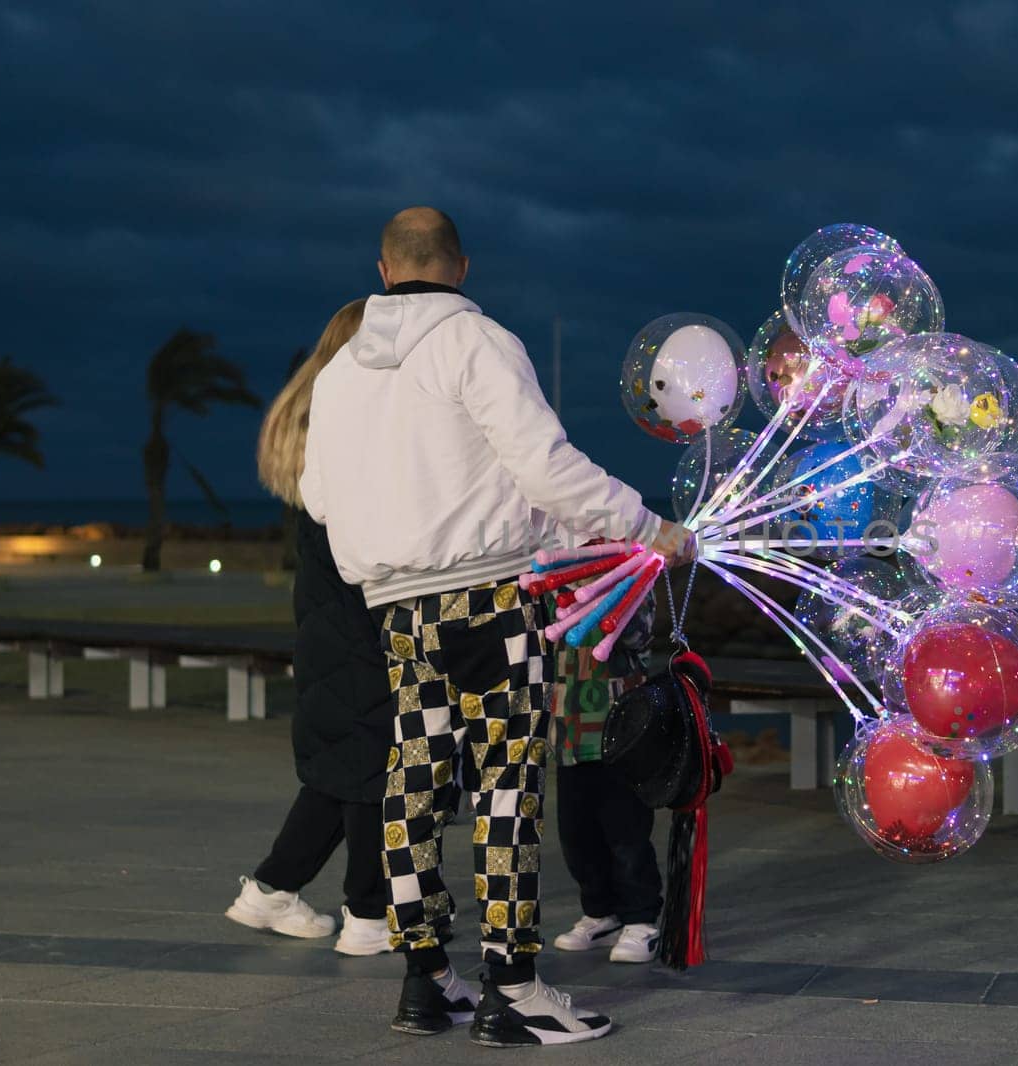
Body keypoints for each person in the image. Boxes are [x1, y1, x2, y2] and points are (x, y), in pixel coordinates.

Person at [301, 207, 694, 1048]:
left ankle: (424, 980)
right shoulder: (477, 343)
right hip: (487, 601)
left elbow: (321, 497)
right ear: (462, 267)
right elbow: (543, 465)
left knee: (413, 781)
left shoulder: (336, 375)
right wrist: (644, 525)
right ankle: (511, 983)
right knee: (504, 789)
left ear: (381, 270)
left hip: (397, 607)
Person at [224, 298, 395, 958]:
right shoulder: (351, 437)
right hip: (357, 628)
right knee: (370, 770)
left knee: (340, 769)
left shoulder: (315, 425)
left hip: (328, 629)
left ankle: (268, 892)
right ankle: (368, 916)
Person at [550, 584, 663, 964]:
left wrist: (605, 595)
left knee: (626, 830)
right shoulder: (552, 582)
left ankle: (641, 918)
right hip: (569, 728)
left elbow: (640, 634)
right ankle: (600, 912)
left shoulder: (632, 576)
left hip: (621, 728)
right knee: (577, 833)